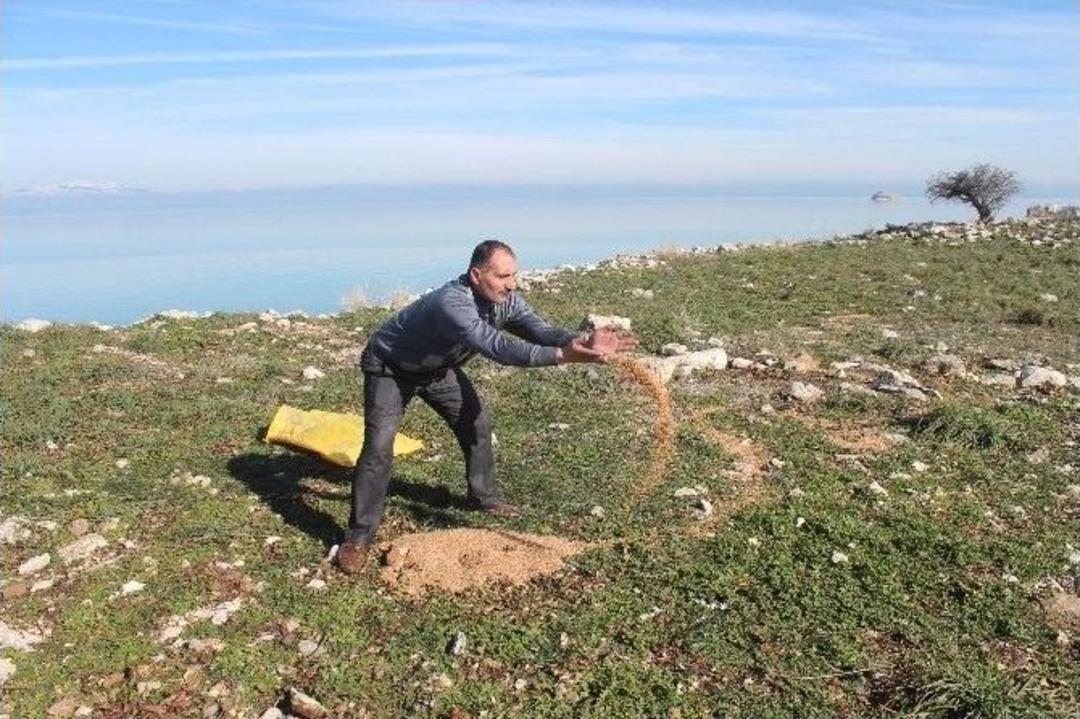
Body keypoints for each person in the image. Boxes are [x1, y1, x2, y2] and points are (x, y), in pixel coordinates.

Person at [337, 240, 635, 574]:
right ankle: (358, 538)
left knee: (476, 424)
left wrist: (578, 341)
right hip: (391, 368)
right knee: (379, 447)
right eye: (503, 276)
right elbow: (498, 347)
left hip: (437, 369)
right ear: (477, 275)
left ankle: (483, 497)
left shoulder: (506, 301)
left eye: (514, 275)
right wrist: (564, 357)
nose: (512, 283)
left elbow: (540, 330)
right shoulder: (452, 303)